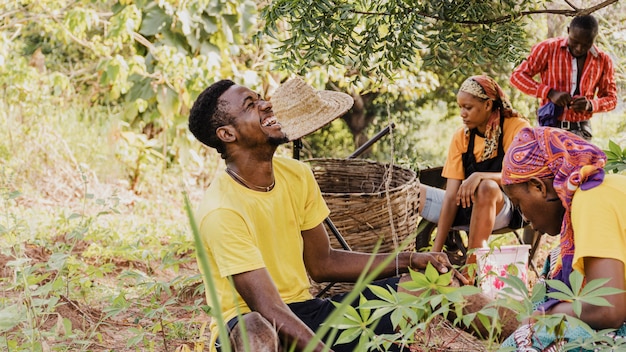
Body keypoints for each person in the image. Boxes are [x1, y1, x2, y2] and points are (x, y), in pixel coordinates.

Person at [188, 78, 483, 352]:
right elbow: (269, 309)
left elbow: (323, 262)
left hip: (306, 313)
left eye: (260, 98)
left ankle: (522, 338)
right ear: (227, 134)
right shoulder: (221, 210)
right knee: (257, 331)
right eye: (250, 105)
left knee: (438, 281)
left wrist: (408, 260)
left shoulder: (297, 175)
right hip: (251, 326)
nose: (266, 104)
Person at [500, 126, 626, 350]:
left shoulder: (591, 200)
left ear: (538, 187)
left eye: (519, 205)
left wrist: (548, 313)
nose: (524, 217)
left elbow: (609, 310)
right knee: (556, 260)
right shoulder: (597, 189)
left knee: (530, 340)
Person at [417, 75, 530, 273]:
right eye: (460, 107)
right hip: (465, 208)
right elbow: (451, 196)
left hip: (504, 210)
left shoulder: (516, 128)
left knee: (486, 187)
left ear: (487, 105)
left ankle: (471, 272)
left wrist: (480, 176)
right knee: (411, 192)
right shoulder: (462, 137)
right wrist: (435, 253)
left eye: (468, 107)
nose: (462, 113)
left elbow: (520, 177)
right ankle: (399, 263)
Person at [510, 14, 617, 141]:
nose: (579, 48)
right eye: (575, 41)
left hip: (581, 131)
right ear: (568, 31)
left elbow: (611, 99)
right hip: (549, 127)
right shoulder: (547, 48)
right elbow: (517, 77)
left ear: (594, 38)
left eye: (586, 44)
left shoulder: (603, 60)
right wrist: (550, 93)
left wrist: (590, 105)